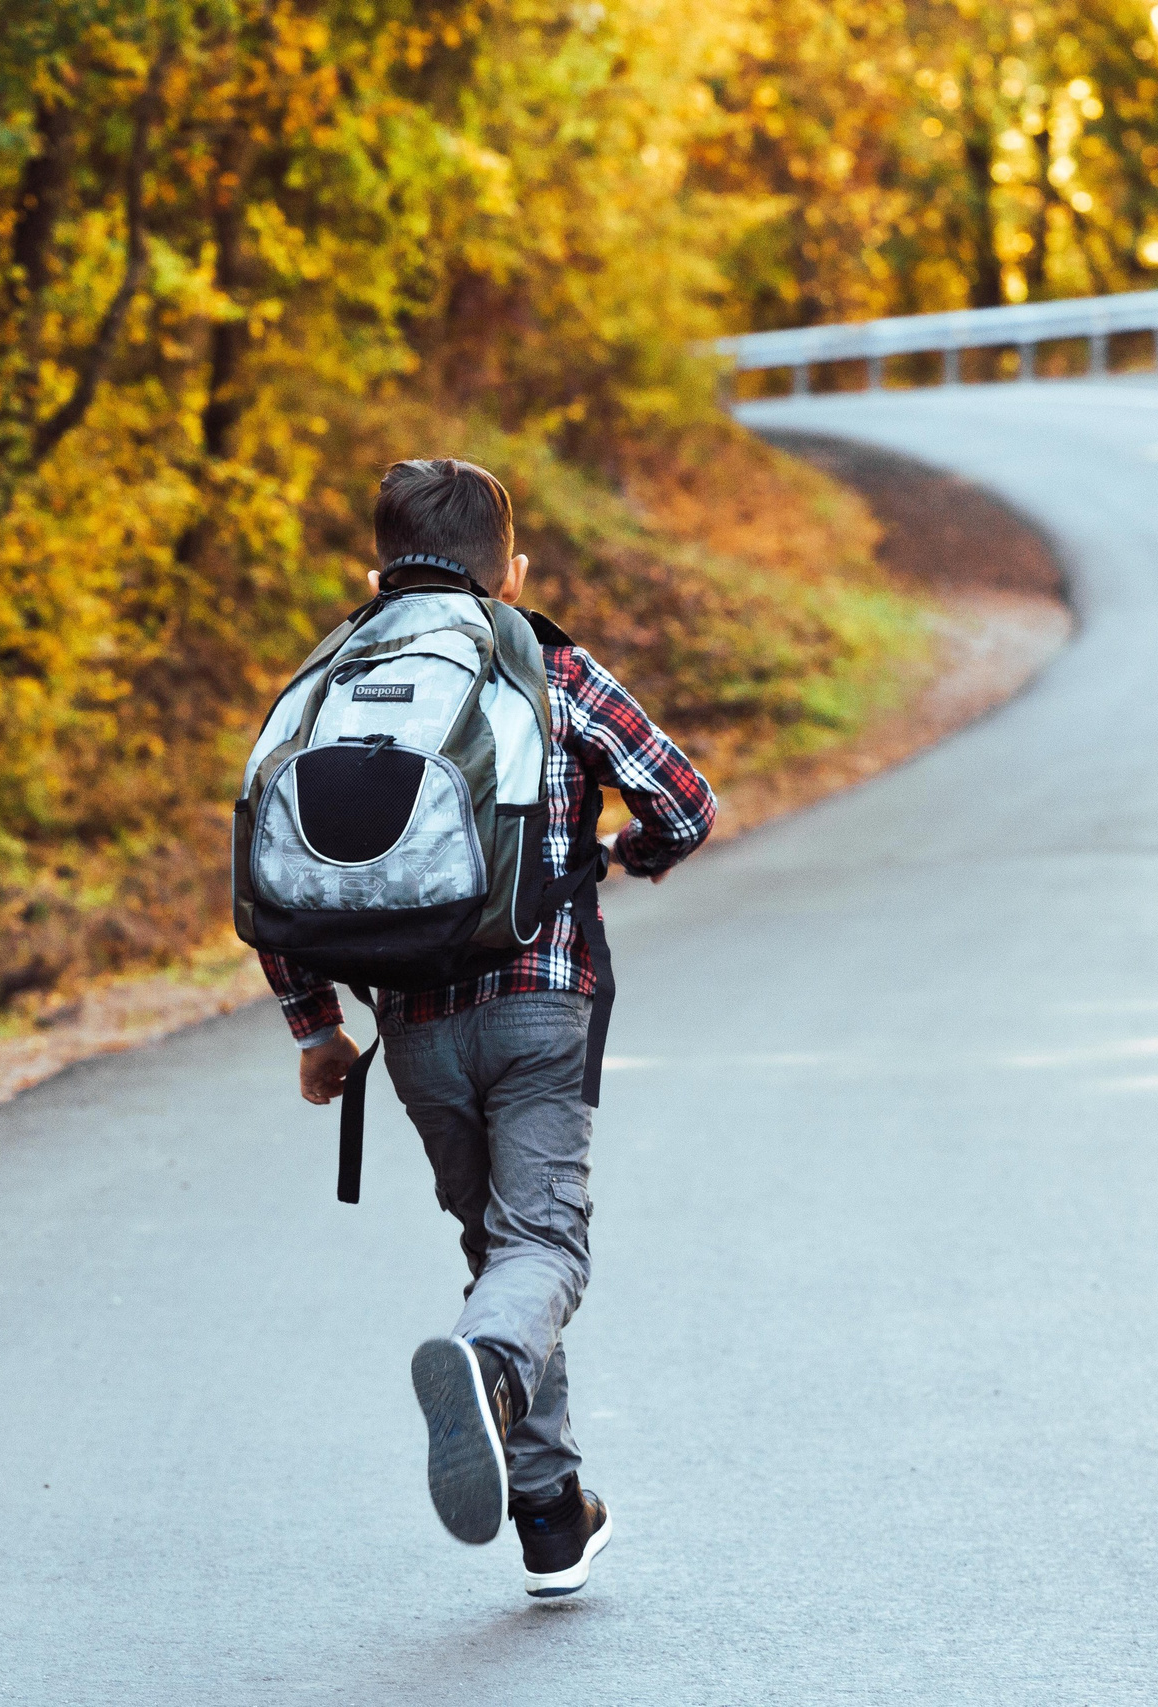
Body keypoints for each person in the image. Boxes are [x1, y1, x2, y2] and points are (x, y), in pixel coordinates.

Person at [257, 457, 717, 1598]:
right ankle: (490, 1364)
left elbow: (274, 865)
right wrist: (629, 857)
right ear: (509, 572)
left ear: (378, 570)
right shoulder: (546, 662)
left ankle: (551, 1515)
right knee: (541, 1248)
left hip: (412, 1025)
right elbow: (685, 802)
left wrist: (316, 1028)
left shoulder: (331, 678)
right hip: (538, 1001)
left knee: (495, 1251)